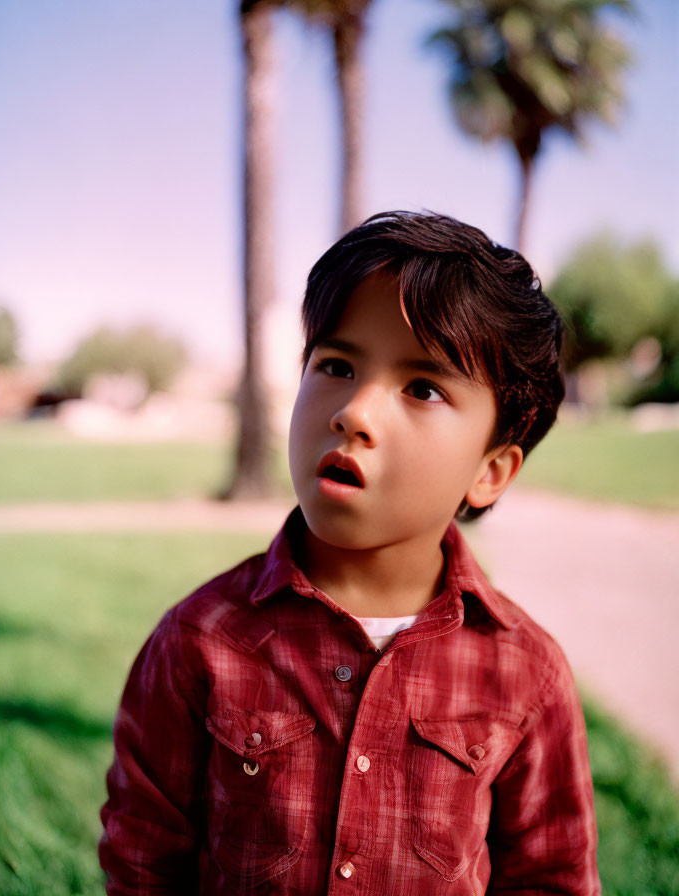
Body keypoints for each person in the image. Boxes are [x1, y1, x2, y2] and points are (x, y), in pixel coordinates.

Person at [99, 211, 600, 894]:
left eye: (422, 387)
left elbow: (553, 878)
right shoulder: (199, 641)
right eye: (335, 365)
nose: (354, 412)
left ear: (490, 471)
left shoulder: (527, 676)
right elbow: (143, 858)